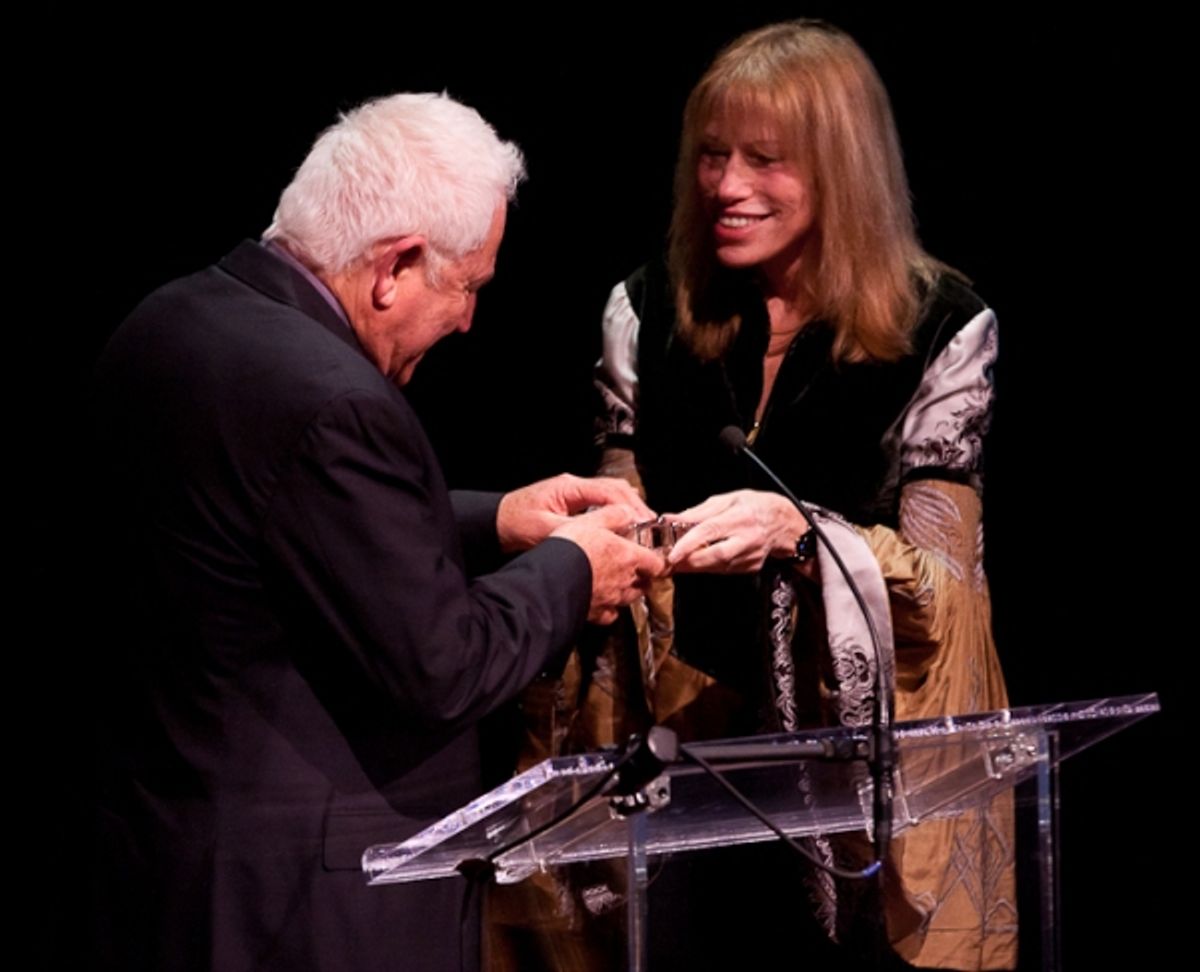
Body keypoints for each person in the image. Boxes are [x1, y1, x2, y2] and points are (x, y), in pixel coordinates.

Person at [81, 92, 665, 972]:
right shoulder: (339, 399)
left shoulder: (170, 322)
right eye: (467, 285)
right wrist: (571, 572)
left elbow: (277, 521)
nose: (468, 321)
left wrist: (500, 519)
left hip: (163, 862)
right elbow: (445, 664)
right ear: (396, 266)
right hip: (308, 911)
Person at [500, 20, 1015, 972]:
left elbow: (942, 583)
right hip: (670, 758)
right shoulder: (647, 306)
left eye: (765, 161)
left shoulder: (939, 324)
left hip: (850, 783)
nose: (727, 188)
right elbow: (619, 514)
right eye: (711, 157)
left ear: (841, 168)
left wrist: (800, 530)